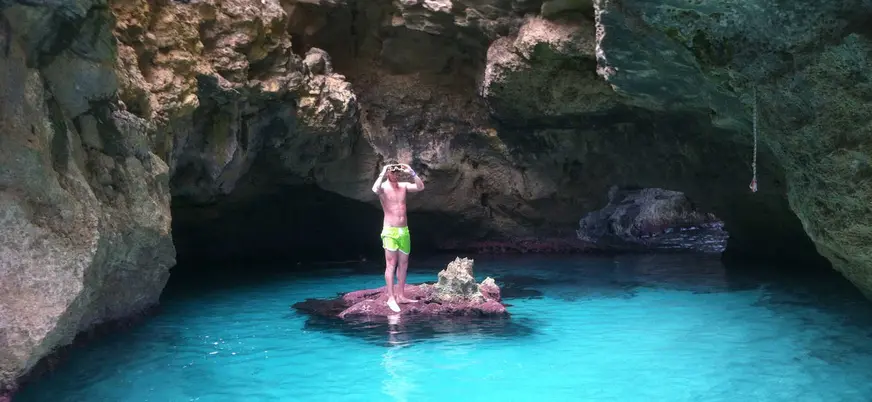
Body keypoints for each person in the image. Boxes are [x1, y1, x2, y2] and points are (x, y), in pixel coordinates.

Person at [371, 163, 425, 312]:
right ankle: (391, 298)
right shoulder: (383, 187)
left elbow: (420, 187)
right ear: (388, 173)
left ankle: (400, 295)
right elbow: (374, 189)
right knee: (391, 264)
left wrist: (411, 171)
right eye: (393, 172)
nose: (396, 174)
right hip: (390, 231)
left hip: (404, 230)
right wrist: (383, 171)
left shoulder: (403, 186)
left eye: (398, 172)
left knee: (404, 264)